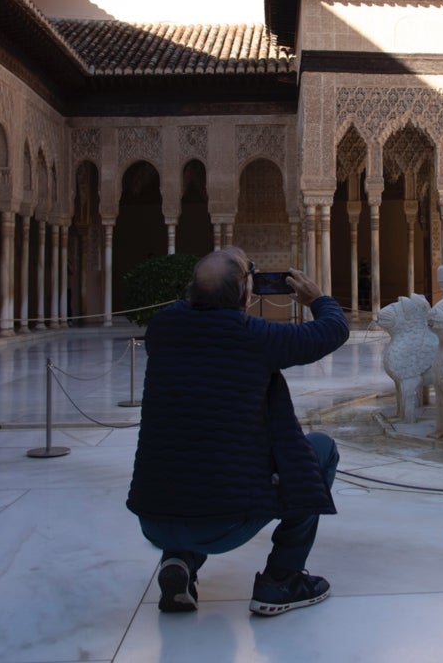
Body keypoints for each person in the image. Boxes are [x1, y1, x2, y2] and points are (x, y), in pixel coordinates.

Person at [127, 246, 349, 616]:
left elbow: (202, 328)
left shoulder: (162, 329)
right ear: (247, 294)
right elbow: (332, 331)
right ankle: (282, 579)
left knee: (191, 454)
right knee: (318, 451)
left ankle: (179, 561)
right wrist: (318, 299)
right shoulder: (255, 337)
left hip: (153, 520)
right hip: (224, 523)